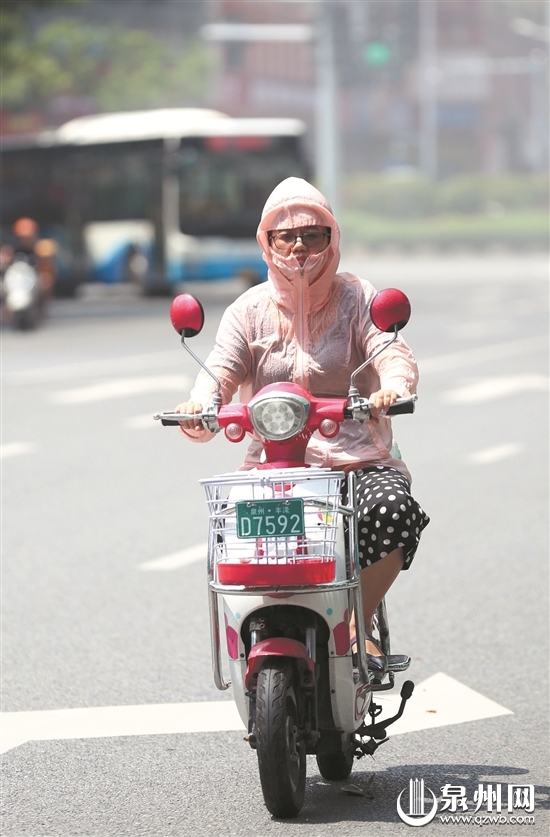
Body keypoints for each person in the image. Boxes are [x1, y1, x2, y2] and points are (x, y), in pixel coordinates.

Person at [175, 177, 429, 668]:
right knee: (240, 544)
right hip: (274, 470)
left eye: (313, 234)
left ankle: (358, 625)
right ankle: (263, 627)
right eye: (285, 235)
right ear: (266, 242)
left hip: (357, 458)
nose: (299, 247)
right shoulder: (248, 310)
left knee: (394, 512)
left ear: (331, 237)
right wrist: (199, 404)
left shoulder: (357, 296)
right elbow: (219, 370)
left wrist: (392, 388)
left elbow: (388, 348)